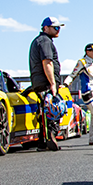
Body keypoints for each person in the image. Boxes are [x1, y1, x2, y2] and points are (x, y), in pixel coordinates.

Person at [28, 17, 65, 151]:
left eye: (59, 27)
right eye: (55, 27)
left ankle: (43, 142)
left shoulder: (39, 40)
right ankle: (50, 136)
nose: (58, 30)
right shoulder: (45, 41)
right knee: (52, 110)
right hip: (46, 82)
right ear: (45, 28)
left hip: (40, 81)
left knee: (44, 111)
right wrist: (53, 83)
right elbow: (47, 62)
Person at [63, 43, 93, 146]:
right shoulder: (82, 62)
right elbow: (73, 74)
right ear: (87, 52)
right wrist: (65, 84)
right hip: (89, 90)